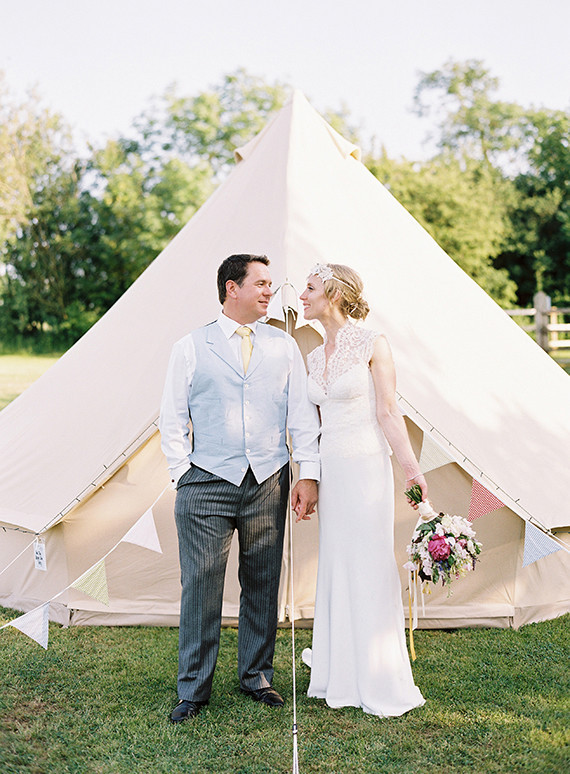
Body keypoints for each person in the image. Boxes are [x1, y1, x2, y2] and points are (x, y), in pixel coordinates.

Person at [159, 254, 320, 723]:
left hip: (269, 479)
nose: (271, 291)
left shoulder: (284, 347)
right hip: (205, 481)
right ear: (232, 288)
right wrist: (182, 474)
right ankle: (193, 689)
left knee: (263, 583)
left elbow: (300, 416)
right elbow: (172, 417)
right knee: (201, 586)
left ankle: (256, 676)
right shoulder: (190, 346)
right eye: (262, 283)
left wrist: (307, 473)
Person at [298, 262, 426, 717]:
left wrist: (412, 471)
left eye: (309, 288)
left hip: (367, 467)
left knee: (369, 563)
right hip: (331, 472)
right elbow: (313, 424)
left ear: (333, 294)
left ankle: (377, 672)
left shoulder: (374, 343)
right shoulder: (312, 357)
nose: (301, 296)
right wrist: (309, 477)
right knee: (337, 562)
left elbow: (388, 411)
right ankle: (340, 670)